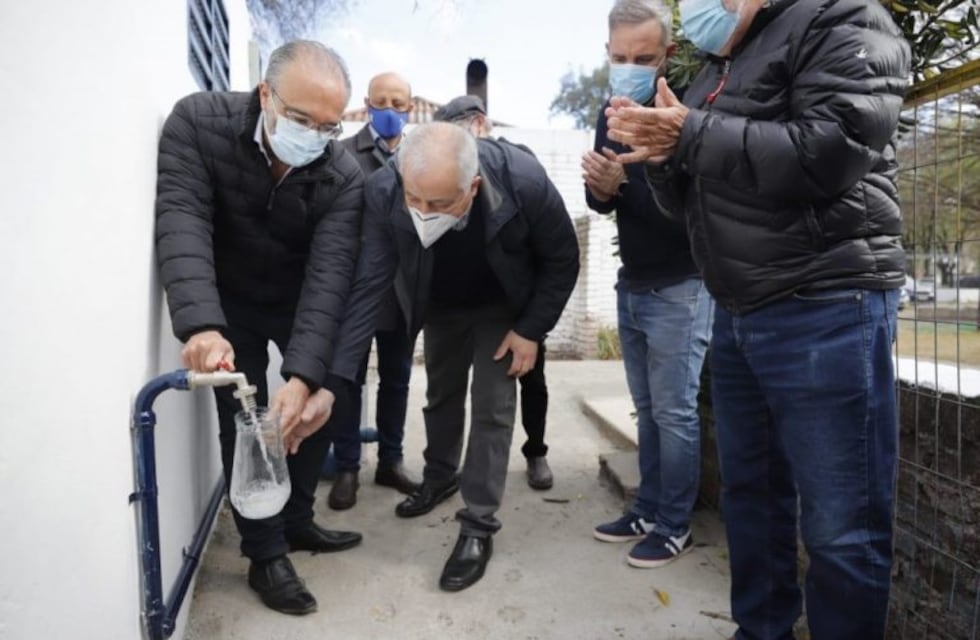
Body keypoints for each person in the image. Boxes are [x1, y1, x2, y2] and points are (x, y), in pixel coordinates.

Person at [604, 0, 910, 636]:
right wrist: (660, 157)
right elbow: (690, 196)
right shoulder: (718, 65)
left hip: (826, 302)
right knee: (753, 498)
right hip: (741, 309)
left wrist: (687, 134)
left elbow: (830, 149)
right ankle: (760, 627)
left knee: (840, 526)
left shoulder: (846, 19)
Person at [154, 40, 367, 616]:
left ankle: (297, 518)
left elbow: (330, 278)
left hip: (299, 295)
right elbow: (183, 220)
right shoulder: (198, 123)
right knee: (244, 420)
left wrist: (302, 377)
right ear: (265, 94)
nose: (314, 136)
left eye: (329, 126)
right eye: (301, 120)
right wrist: (200, 324)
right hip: (228, 299)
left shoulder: (343, 174)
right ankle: (265, 553)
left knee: (327, 394)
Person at [328, 122, 579, 591]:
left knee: (492, 406)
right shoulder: (385, 187)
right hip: (440, 303)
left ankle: (479, 523)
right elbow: (369, 281)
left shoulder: (523, 181)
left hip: (502, 306)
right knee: (440, 393)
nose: (423, 213)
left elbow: (563, 259)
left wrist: (529, 331)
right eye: (415, 200)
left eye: (441, 204)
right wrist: (333, 377)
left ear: (474, 186)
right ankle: (440, 477)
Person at [585, 0, 714, 570]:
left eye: (642, 56)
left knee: (675, 412)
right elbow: (599, 199)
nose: (630, 66)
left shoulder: (680, 111)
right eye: (619, 57)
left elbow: (687, 211)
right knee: (648, 409)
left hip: (681, 285)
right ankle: (648, 508)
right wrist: (607, 186)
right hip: (633, 282)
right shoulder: (609, 110)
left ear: (667, 54)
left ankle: (674, 524)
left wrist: (626, 187)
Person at [433, 94, 555, 491]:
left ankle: (535, 451)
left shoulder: (523, 169)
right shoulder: (441, 176)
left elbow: (555, 253)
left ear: (480, 125)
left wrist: (532, 326)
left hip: (518, 301)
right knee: (455, 393)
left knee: (529, 381)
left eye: (458, 133)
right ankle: (442, 476)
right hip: (461, 303)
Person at [326, 71, 420, 510]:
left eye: (397, 103)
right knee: (348, 380)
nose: (389, 111)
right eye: (381, 102)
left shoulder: (421, 157)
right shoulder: (343, 155)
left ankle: (391, 460)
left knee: (397, 380)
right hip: (356, 291)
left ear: (410, 106)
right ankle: (347, 466)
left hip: (403, 291)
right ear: (366, 105)